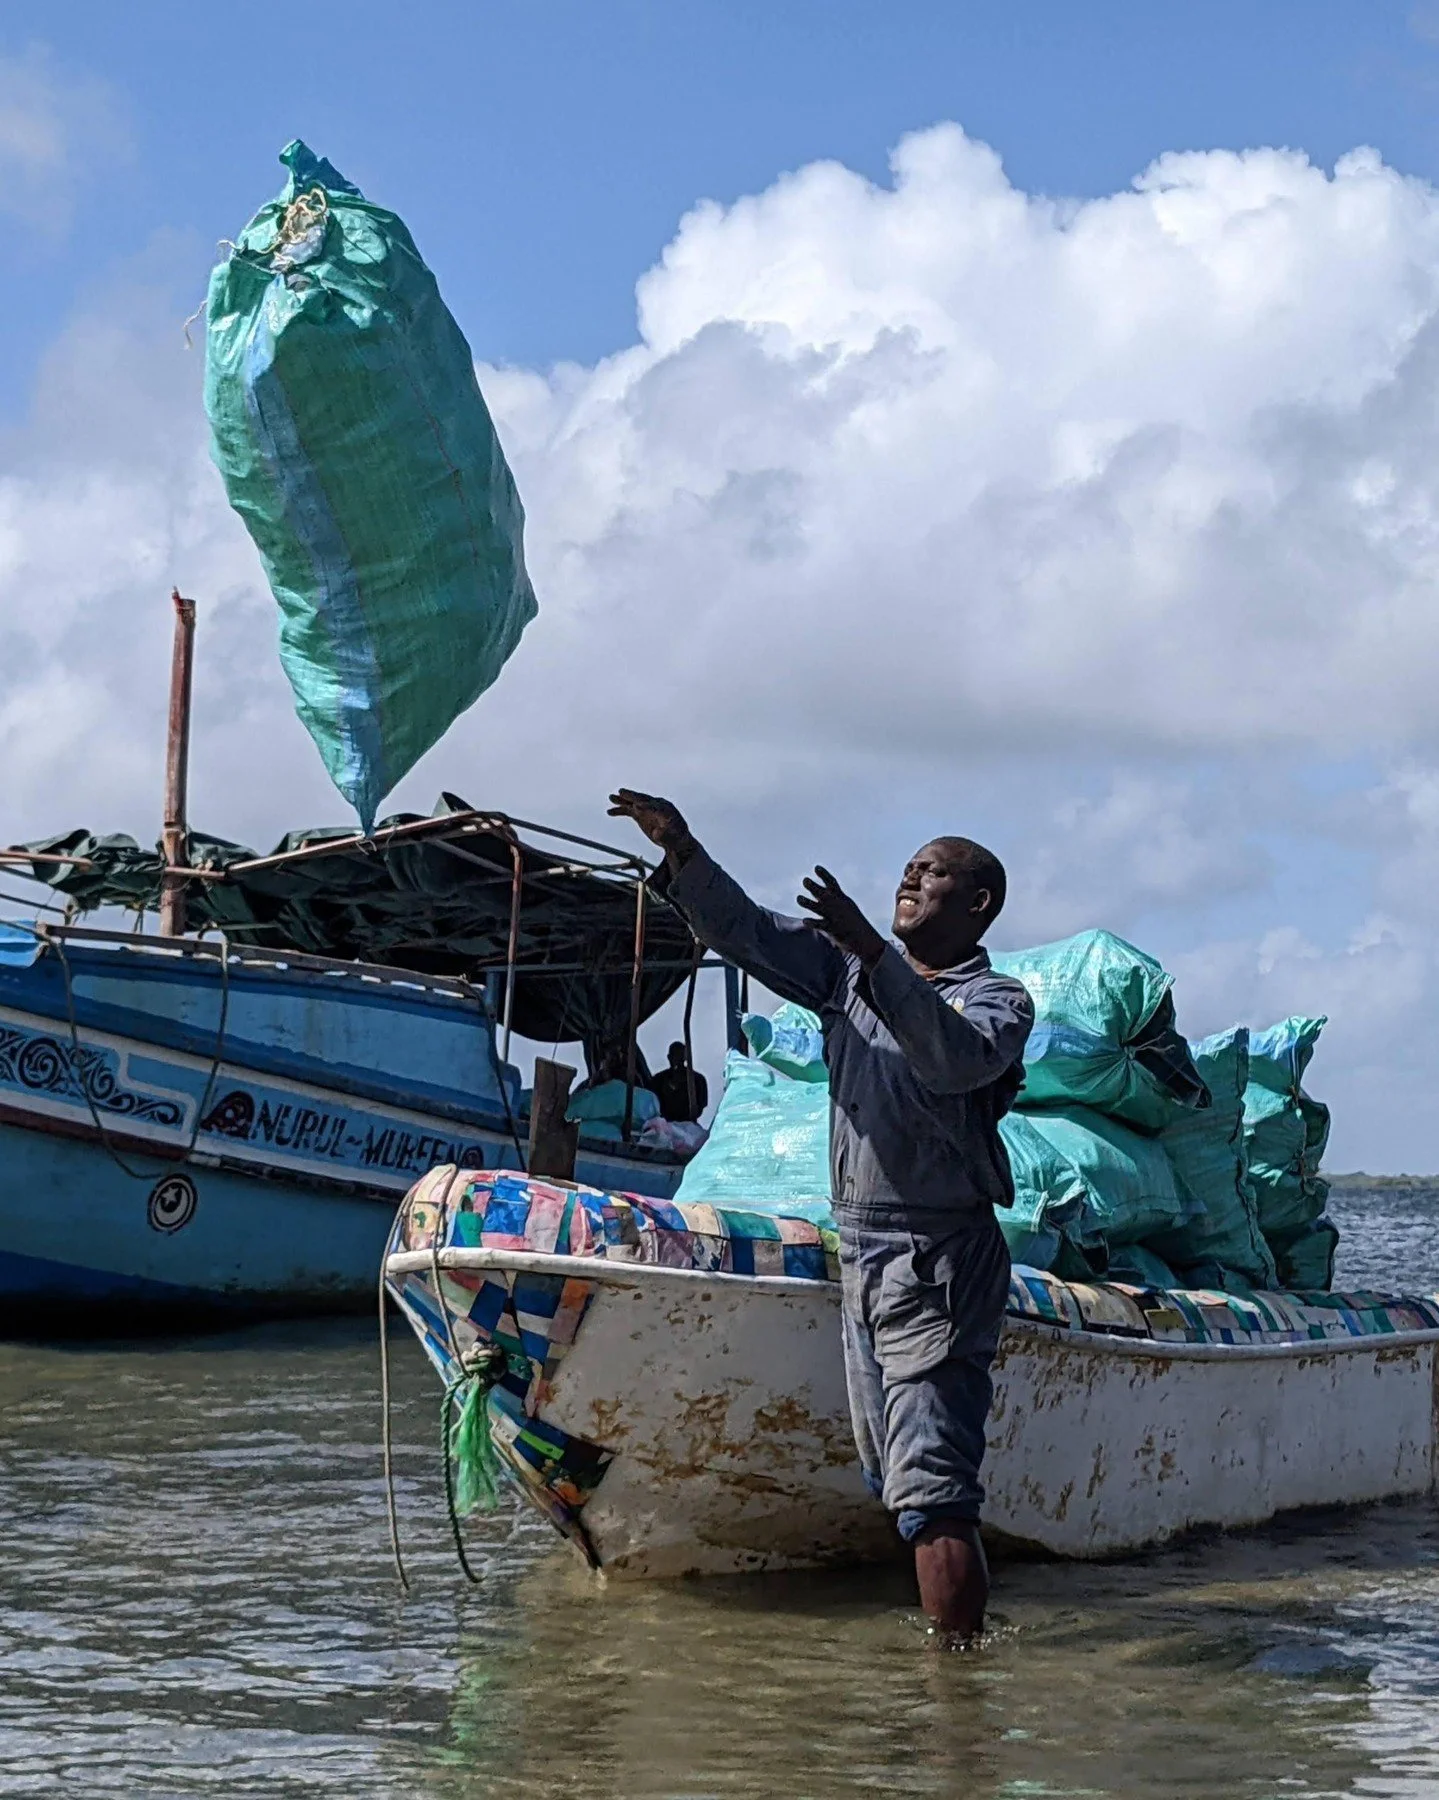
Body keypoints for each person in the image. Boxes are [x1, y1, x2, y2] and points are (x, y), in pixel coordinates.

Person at [607, 788, 1033, 1643]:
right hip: (864, 1252)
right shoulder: (844, 975)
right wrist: (683, 852)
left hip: (937, 1258)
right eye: (905, 868)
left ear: (977, 902)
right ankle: (946, 1658)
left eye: (931, 873)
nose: (908, 879)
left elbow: (952, 1061)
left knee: (932, 1484)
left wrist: (873, 950)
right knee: (889, 1471)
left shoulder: (997, 1000)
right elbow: (748, 932)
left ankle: (958, 1683)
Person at [652, 1041, 709, 1124]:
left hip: (689, 1126)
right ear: (669, 1057)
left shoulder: (698, 1079)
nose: (677, 1061)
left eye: (680, 1057)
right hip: (664, 1126)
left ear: (685, 1058)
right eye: (675, 1057)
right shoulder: (658, 1080)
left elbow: (700, 1106)